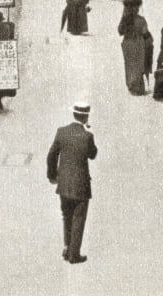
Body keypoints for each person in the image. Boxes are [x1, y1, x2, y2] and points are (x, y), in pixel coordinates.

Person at [46, 102, 97, 264]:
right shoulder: (87, 136)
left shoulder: (61, 132)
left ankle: (67, 247)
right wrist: (88, 131)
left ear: (74, 115)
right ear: (85, 116)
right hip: (81, 186)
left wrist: (52, 175)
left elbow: (51, 156)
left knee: (66, 216)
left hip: (64, 184)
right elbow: (93, 154)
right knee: (78, 218)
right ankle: (74, 254)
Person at [117, 0, 152, 95]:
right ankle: (138, 87)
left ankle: (130, 85)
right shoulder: (141, 20)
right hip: (138, 43)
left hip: (127, 43)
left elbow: (120, 31)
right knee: (138, 65)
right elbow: (145, 32)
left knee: (129, 64)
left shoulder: (125, 19)